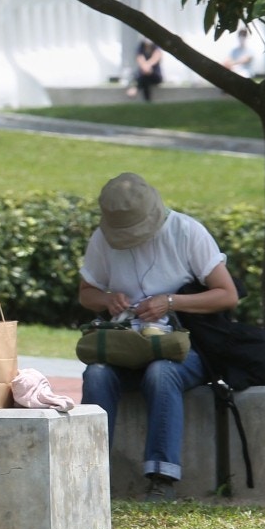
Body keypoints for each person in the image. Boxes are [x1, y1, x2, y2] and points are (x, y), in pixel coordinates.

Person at [78, 173, 239, 501]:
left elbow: (227, 295)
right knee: (96, 373)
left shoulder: (186, 231)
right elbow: (86, 293)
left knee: (162, 371)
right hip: (127, 344)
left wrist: (170, 302)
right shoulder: (102, 239)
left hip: (183, 345)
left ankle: (162, 478)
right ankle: (87, 474)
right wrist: (108, 299)